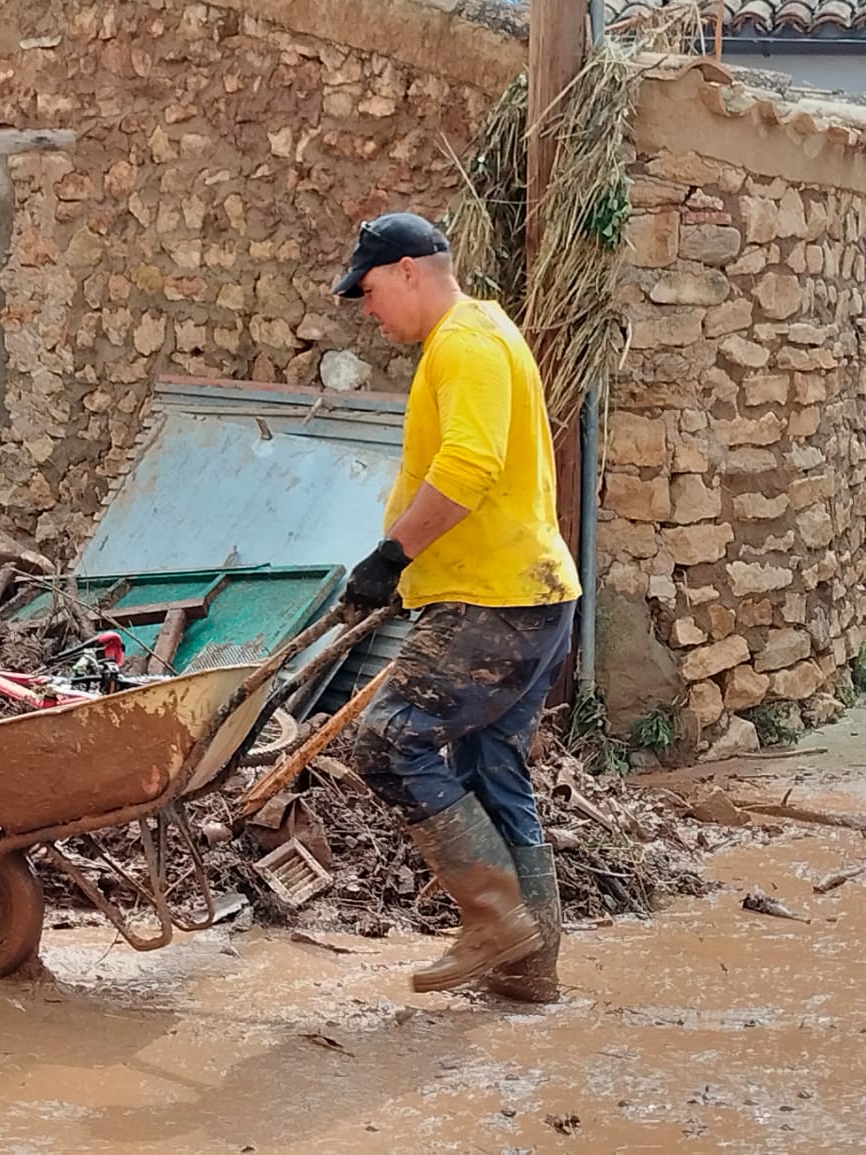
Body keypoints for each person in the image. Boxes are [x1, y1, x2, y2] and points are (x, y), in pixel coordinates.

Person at [330, 211, 582, 1002]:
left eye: (368, 292)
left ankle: (492, 918)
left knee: (386, 741)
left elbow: (470, 467)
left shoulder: (464, 343)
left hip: (492, 598)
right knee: (493, 766)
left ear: (409, 270)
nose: (368, 312)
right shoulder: (486, 331)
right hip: (535, 594)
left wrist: (390, 555)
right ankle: (527, 969)